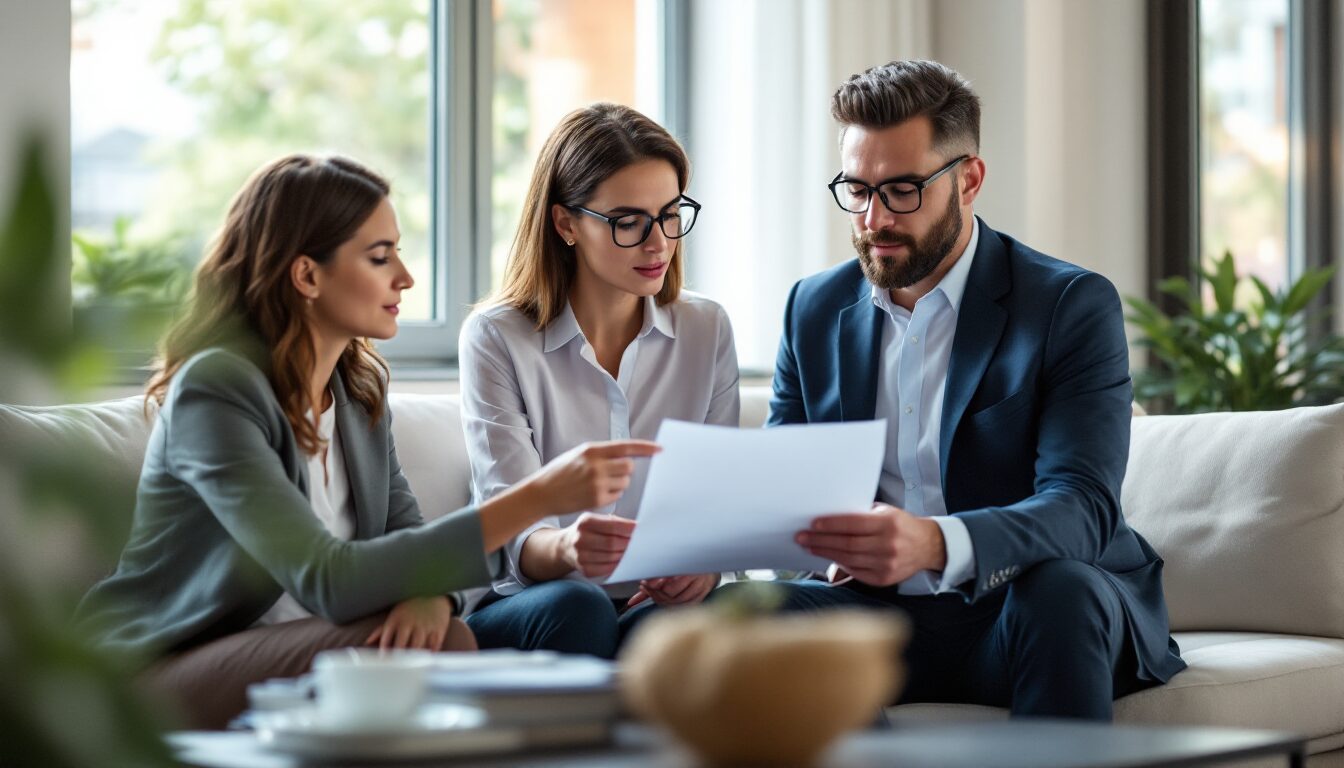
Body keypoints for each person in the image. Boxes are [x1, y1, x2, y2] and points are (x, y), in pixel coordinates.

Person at [76, 154, 657, 729]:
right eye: (380, 257)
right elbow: (326, 579)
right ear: (306, 275)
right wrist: (536, 499)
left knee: (441, 633)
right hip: (160, 669)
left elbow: (410, 536)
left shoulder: (357, 393)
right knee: (420, 651)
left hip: (305, 647)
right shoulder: (218, 391)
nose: (404, 277)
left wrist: (433, 595)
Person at [713, 60, 1186, 719]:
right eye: (856, 189)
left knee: (1062, 593)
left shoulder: (1066, 305)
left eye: (902, 190)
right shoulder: (813, 308)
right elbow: (788, 484)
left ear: (968, 179)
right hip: (874, 617)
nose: (874, 217)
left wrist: (934, 543)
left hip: (1018, 608)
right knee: (723, 615)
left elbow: (1083, 508)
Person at [459, 103, 739, 659]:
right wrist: (567, 548)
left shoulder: (706, 328)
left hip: (651, 606)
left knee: (726, 614)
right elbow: (515, 538)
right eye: (628, 222)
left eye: (670, 214)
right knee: (580, 608)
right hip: (539, 606)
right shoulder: (496, 337)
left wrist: (704, 567)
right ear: (566, 224)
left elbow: (717, 505)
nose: (658, 242)